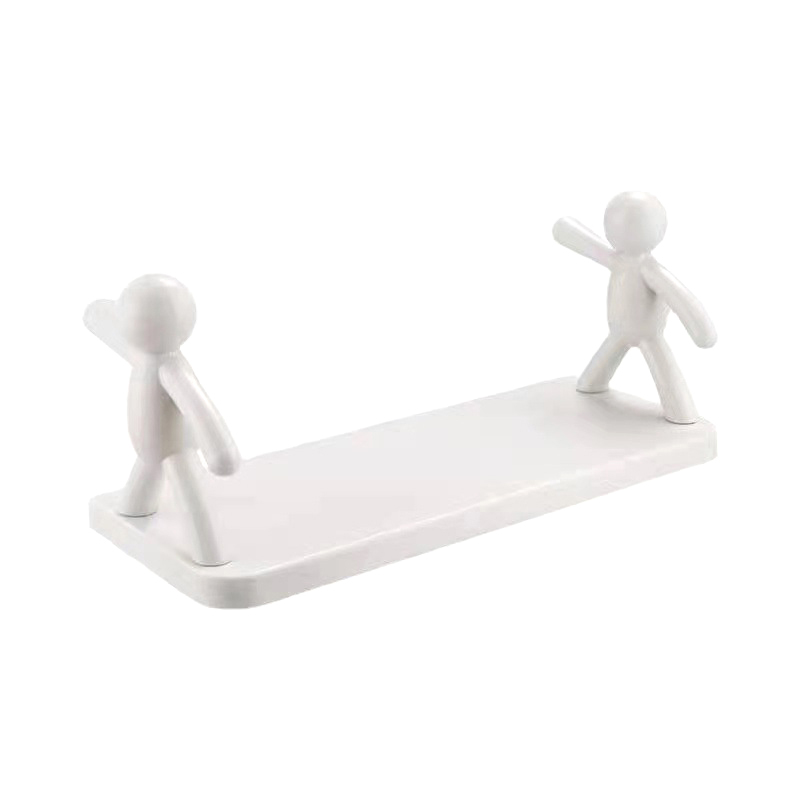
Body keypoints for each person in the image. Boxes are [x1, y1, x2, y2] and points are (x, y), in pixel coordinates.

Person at [84, 274, 240, 564]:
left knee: (189, 492)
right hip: (149, 444)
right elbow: (110, 329)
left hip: (175, 449)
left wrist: (220, 453)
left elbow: (198, 407)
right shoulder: (144, 356)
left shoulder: (171, 369)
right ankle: (134, 506)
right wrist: (96, 315)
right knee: (148, 465)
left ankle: (209, 552)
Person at [553, 192, 717, 423]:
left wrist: (702, 331)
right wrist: (564, 230)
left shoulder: (650, 270)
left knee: (663, 369)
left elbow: (679, 297)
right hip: (618, 332)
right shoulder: (618, 261)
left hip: (649, 336)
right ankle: (592, 384)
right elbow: (582, 241)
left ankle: (682, 412)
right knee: (596, 373)